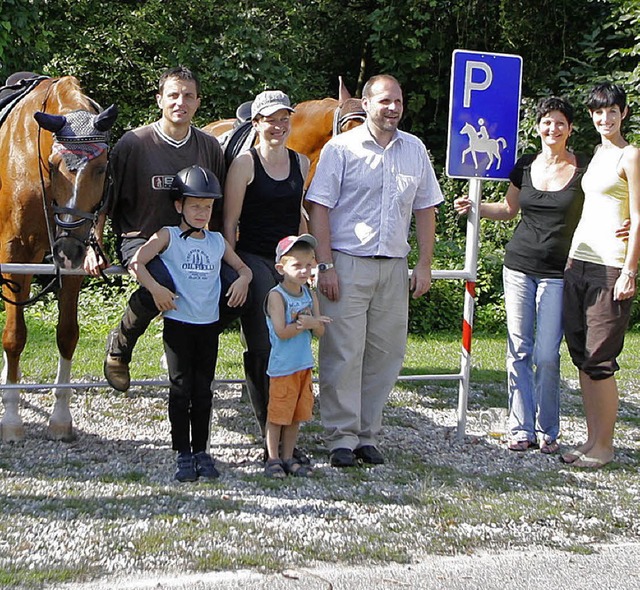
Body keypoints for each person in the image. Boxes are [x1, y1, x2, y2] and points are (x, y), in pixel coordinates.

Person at [305, 74, 444, 467]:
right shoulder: (341, 148)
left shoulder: (414, 150)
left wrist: (424, 263)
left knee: (386, 354)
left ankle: (368, 434)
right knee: (343, 354)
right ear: (366, 104)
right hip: (347, 264)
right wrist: (325, 265)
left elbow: (426, 209)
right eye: (385, 101)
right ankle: (341, 438)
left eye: (398, 101)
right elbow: (319, 209)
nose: (393, 108)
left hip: (394, 268)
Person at [454, 97, 587, 454]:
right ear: (538, 127)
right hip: (518, 267)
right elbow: (509, 209)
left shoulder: (583, 170)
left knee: (546, 354)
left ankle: (548, 429)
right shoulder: (524, 166)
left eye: (560, 123)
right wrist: (476, 208)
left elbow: (601, 209)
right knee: (518, 349)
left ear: (569, 129)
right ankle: (520, 428)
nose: (552, 129)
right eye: (546, 122)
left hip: (559, 273)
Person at [93, 66, 227, 392]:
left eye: (188, 96)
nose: (180, 102)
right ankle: (120, 347)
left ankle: (185, 359)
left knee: (234, 287)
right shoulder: (133, 144)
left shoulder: (209, 147)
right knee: (166, 281)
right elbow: (103, 200)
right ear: (160, 100)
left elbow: (219, 206)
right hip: (140, 238)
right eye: (173, 95)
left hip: (194, 241)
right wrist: (93, 244)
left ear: (198, 102)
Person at [128, 165, 252, 481]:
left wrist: (243, 281)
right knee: (181, 388)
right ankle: (182, 451)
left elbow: (243, 269)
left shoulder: (216, 241)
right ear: (179, 205)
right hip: (179, 324)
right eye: (195, 205)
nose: (201, 212)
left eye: (207, 206)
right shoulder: (167, 236)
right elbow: (137, 262)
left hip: (208, 325)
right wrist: (156, 290)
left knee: (204, 391)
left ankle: (202, 450)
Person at [223, 90, 310, 450]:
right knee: (263, 344)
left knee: (297, 343)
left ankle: (290, 429)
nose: (278, 126)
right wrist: (239, 268)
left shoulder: (302, 163)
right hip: (254, 257)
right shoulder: (245, 164)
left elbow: (301, 215)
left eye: (283, 119)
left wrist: (311, 263)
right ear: (256, 123)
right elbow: (229, 223)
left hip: (289, 263)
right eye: (270, 119)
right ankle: (268, 433)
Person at [561, 82, 640, 469]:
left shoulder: (631, 156)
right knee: (581, 356)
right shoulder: (595, 153)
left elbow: (638, 216)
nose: (604, 118)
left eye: (611, 111)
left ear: (623, 113)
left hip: (611, 266)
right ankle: (592, 440)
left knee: (600, 359)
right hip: (579, 261)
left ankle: (605, 447)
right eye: (597, 113)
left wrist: (630, 270)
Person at [263, 234, 331, 478]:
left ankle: (289, 456)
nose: (304, 271)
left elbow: (321, 330)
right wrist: (306, 323)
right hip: (283, 367)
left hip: (304, 365)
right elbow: (281, 332)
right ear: (281, 268)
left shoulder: (309, 295)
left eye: (309, 265)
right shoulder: (276, 296)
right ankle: (272, 458)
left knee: (296, 415)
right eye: (297, 265)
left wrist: (313, 323)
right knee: (278, 415)